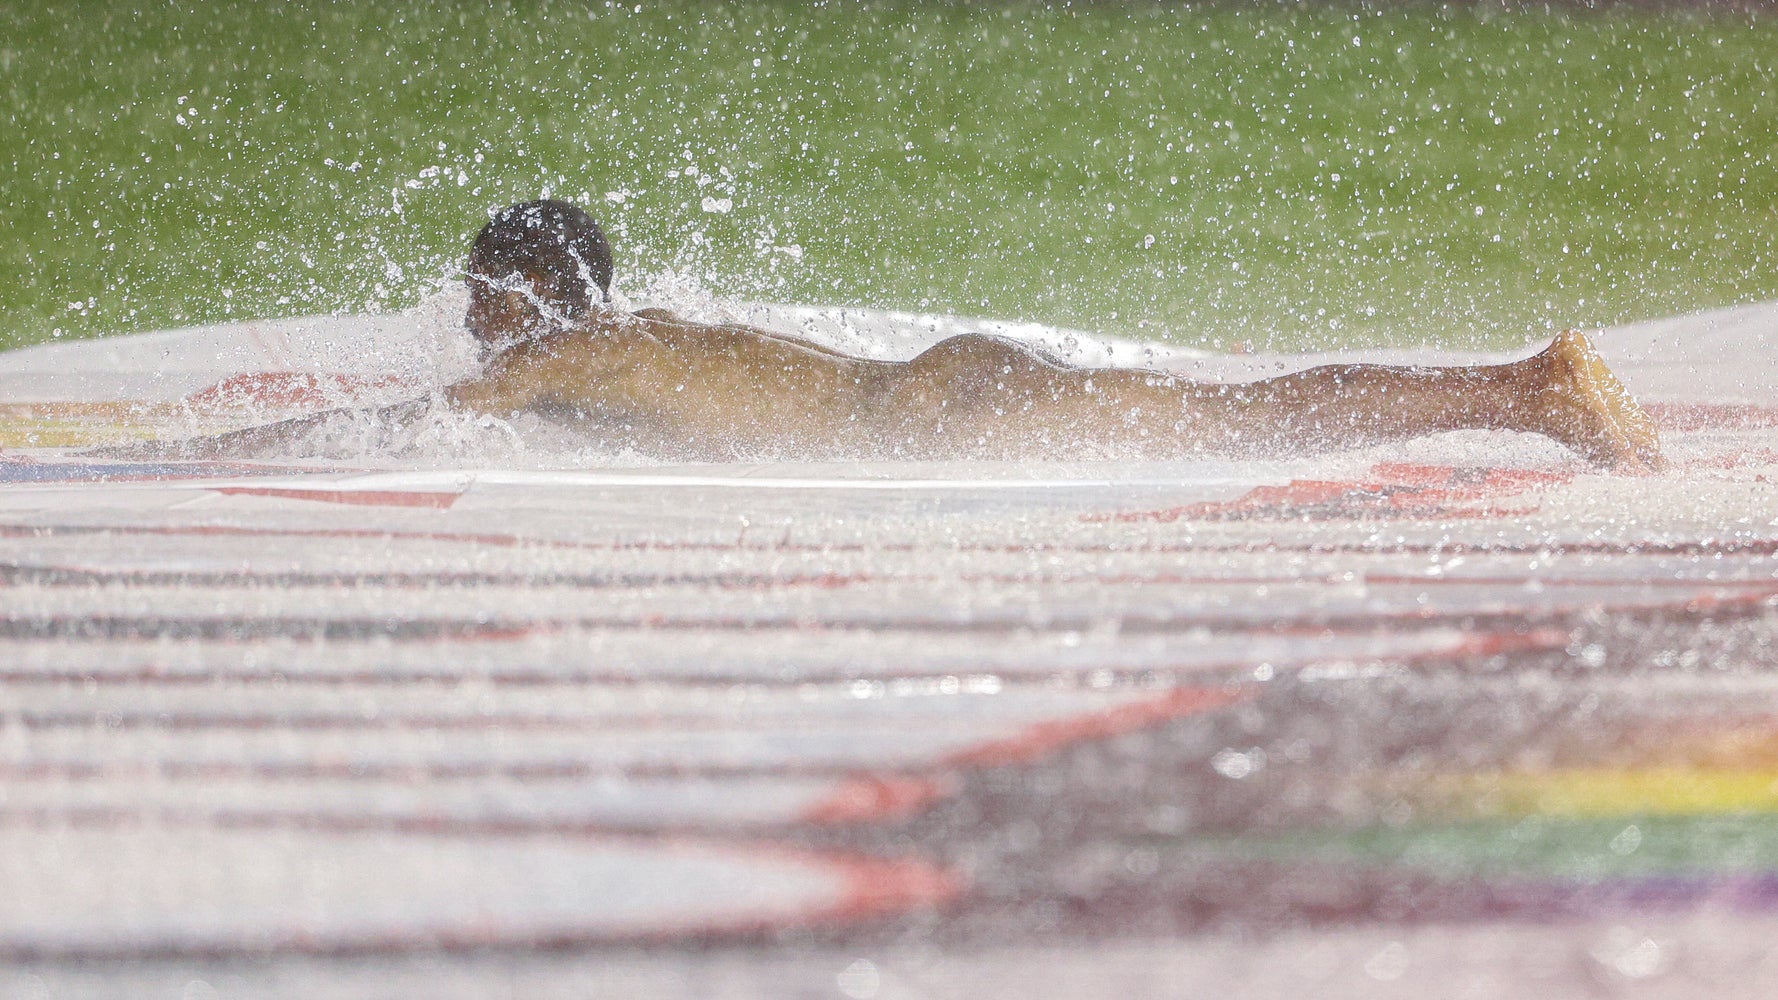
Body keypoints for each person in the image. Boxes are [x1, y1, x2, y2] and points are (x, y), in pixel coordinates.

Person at [114, 199, 1664, 468]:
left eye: (480, 288)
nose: (465, 311)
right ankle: (1519, 389)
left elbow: (401, 434)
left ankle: (1528, 390)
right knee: (1232, 412)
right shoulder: (628, 336)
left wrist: (194, 459)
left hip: (947, 417)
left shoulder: (567, 354)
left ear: (533, 296)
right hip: (943, 396)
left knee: (1243, 421)